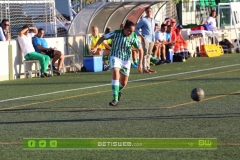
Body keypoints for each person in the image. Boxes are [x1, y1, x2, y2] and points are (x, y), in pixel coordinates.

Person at [91, 20, 143, 106]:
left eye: (132, 31)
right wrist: (96, 47)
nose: (130, 32)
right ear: (124, 28)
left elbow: (140, 50)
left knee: (124, 83)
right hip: (115, 56)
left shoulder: (133, 36)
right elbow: (103, 37)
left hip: (126, 60)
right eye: (129, 30)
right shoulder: (116, 33)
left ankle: (117, 91)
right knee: (115, 73)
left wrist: (140, 64)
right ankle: (115, 99)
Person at [135, 7, 156, 73]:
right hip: (146, 38)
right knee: (145, 53)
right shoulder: (143, 20)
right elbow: (136, 28)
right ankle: (144, 68)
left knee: (149, 53)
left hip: (152, 38)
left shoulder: (153, 20)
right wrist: (141, 35)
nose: (149, 12)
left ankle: (148, 67)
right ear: (146, 12)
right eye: (147, 11)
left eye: (150, 11)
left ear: (152, 12)